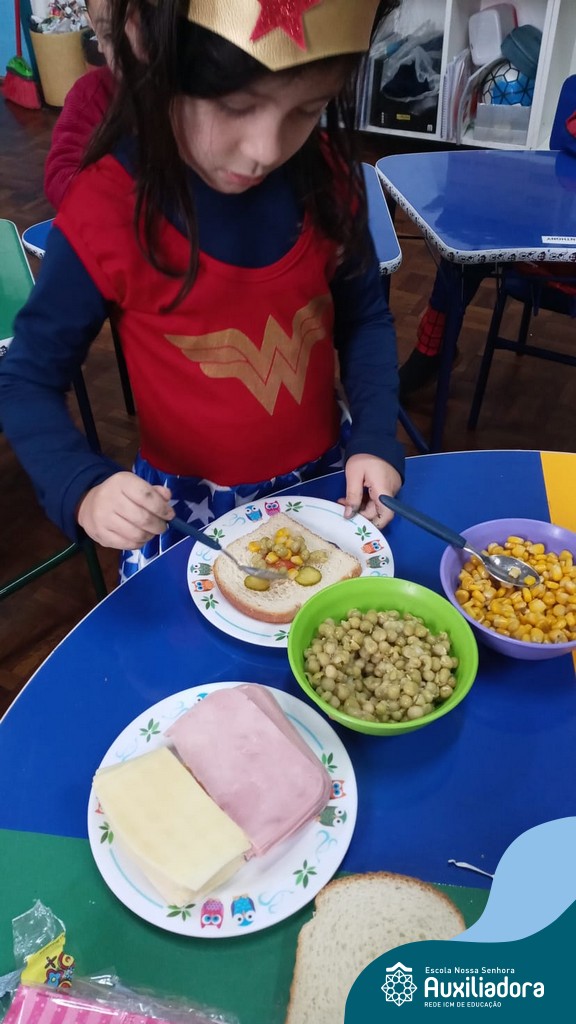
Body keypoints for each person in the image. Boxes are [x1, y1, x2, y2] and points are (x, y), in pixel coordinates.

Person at [0, 0, 405, 582]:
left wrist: (374, 438)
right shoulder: (106, 211)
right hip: (188, 511)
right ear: (150, 51)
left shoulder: (330, 182)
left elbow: (364, 318)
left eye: (307, 109)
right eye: (235, 106)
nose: (265, 149)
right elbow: (26, 379)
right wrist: (82, 486)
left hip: (325, 481)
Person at [400, 107, 576, 403]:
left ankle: (432, 350)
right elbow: (568, 134)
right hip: (555, 229)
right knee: (468, 235)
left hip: (563, 260)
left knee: (473, 236)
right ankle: (433, 347)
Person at [44, 0, 116, 209]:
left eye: (148, 27)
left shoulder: (189, 87)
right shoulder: (89, 96)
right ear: (95, 31)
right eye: (111, 36)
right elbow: (60, 177)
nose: (132, 50)